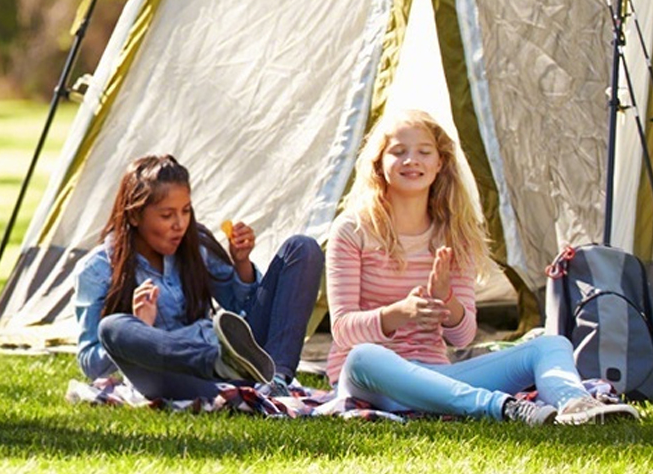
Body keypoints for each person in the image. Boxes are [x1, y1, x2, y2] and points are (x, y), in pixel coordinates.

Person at [327, 109, 640, 424]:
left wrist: (447, 300)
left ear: (440, 163)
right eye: (398, 152)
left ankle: (576, 406)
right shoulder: (352, 229)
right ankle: (503, 407)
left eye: (424, 151)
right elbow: (342, 329)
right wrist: (398, 313)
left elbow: (463, 338)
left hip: (439, 376)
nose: (412, 160)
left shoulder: (455, 232)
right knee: (365, 356)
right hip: (371, 380)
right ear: (378, 163)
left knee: (551, 343)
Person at [70, 154, 323, 401]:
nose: (180, 224)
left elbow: (241, 311)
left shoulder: (196, 246)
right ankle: (219, 364)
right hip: (170, 376)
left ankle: (276, 381)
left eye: (186, 211)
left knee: (302, 248)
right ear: (135, 216)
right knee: (113, 327)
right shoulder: (96, 269)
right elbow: (90, 365)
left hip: (233, 362)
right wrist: (140, 327)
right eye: (167, 215)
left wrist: (241, 263)